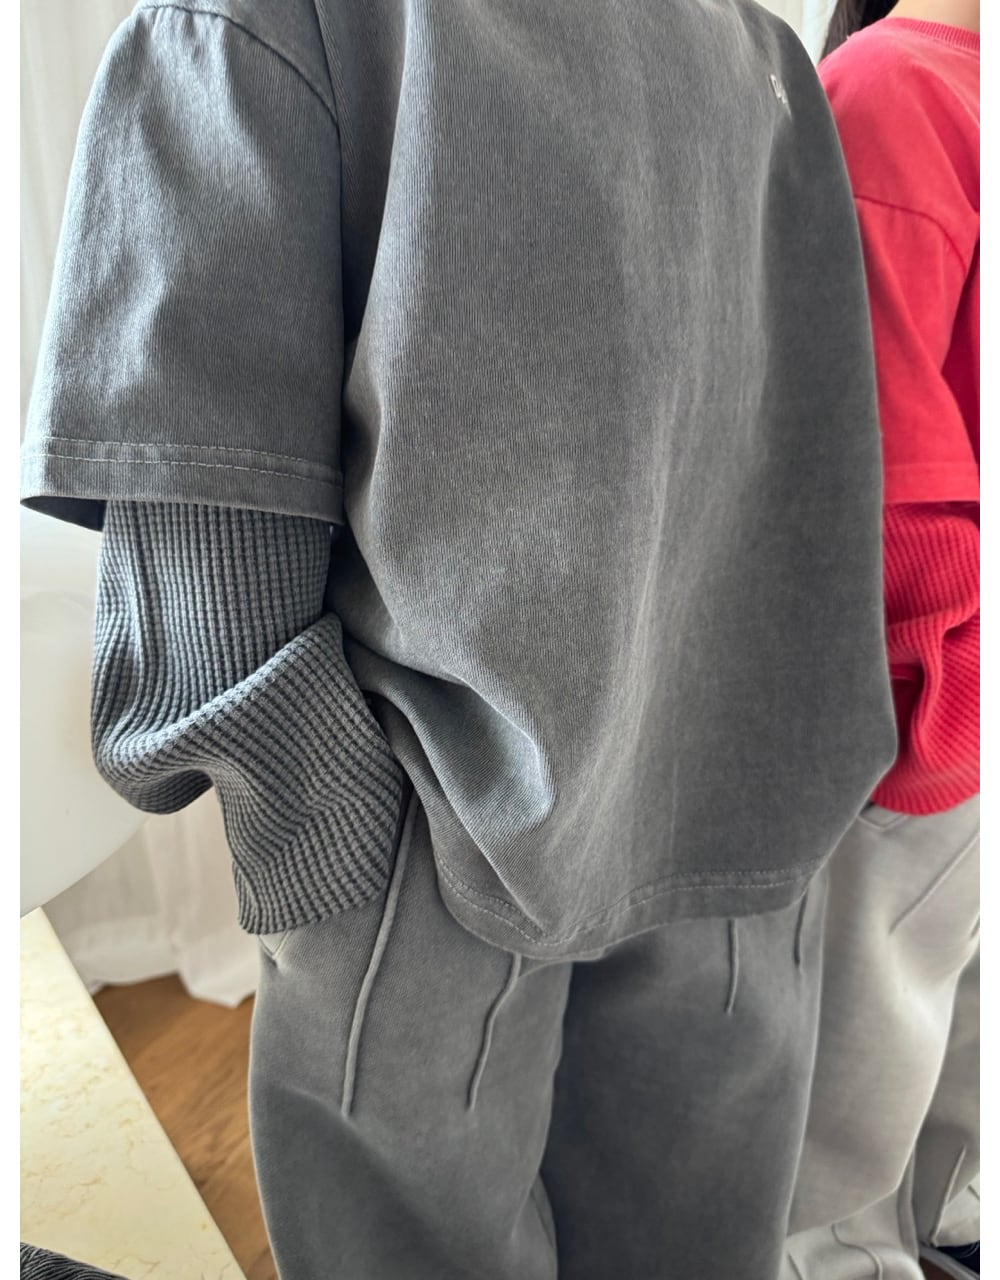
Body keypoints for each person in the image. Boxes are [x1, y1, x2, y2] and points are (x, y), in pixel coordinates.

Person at [21, 1, 897, 1276]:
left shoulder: (267, 18)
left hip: (473, 843)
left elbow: (201, 536)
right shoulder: (756, 48)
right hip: (718, 801)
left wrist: (334, 849)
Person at [783, 3, 980, 1278]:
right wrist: (934, 696)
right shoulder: (893, 90)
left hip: (947, 692)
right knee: (869, 1076)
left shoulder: (916, 87)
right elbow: (888, 457)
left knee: (930, 1035)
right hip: (928, 697)